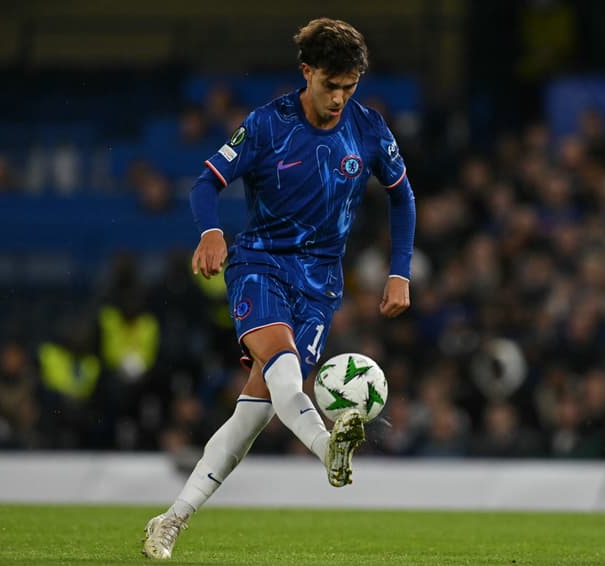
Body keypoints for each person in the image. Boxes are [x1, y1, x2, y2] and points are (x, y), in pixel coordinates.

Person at [142, 17, 416, 559]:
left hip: (320, 283)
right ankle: (328, 450)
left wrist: (399, 269)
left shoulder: (369, 129)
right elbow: (206, 183)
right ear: (307, 72)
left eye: (349, 86)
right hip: (260, 265)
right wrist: (213, 231)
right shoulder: (268, 124)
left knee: (252, 416)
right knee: (284, 367)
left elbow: (402, 198)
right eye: (330, 85)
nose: (339, 98)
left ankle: (171, 519)